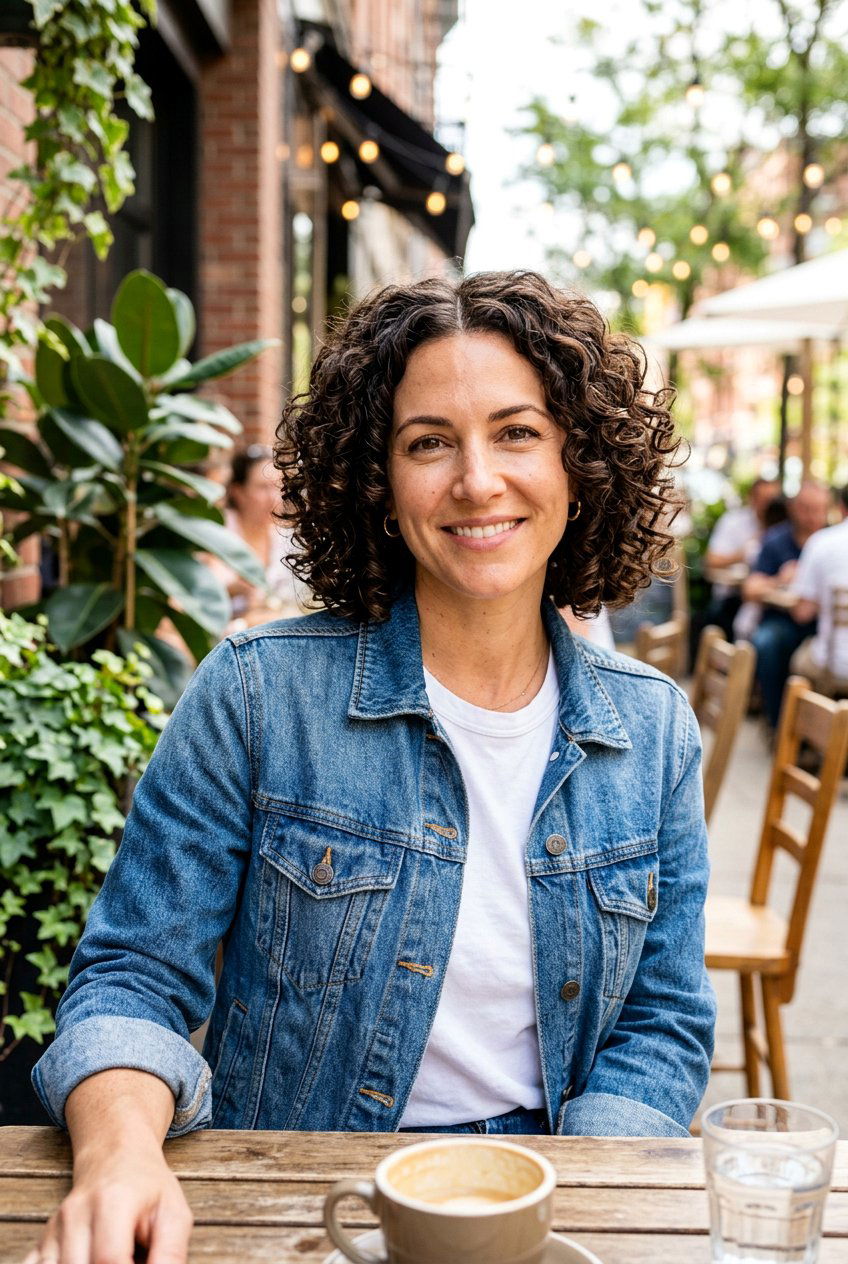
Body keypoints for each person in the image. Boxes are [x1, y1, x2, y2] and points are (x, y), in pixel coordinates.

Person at [29, 272, 715, 1264]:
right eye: (427, 441)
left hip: (548, 1185)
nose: (475, 479)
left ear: (581, 465)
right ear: (379, 481)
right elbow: (132, 977)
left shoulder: (650, 731)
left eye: (516, 432)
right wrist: (120, 1155)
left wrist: (565, 1202)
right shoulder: (258, 695)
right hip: (303, 1197)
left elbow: (661, 1021)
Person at [742, 481, 830, 732]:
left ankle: (819, 732)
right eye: (806, 509)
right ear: (793, 508)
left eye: (818, 509)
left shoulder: (831, 542)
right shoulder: (776, 540)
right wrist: (779, 579)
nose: (812, 516)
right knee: (767, 641)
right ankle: (780, 725)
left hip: (821, 625)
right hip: (783, 622)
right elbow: (750, 589)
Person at [211, 444, 310, 623]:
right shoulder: (217, 531)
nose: (273, 497)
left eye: (278, 487)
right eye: (262, 488)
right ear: (238, 492)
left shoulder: (286, 537)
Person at [704, 477, 781, 642]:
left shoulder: (780, 527)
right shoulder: (734, 522)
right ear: (752, 499)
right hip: (731, 598)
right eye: (764, 500)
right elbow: (711, 561)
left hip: (766, 602)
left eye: (772, 500)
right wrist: (743, 554)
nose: (768, 505)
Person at [788, 484, 848, 694]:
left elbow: (802, 613)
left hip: (835, 665)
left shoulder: (822, 542)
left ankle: (792, 724)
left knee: (799, 660)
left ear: (841, 507)